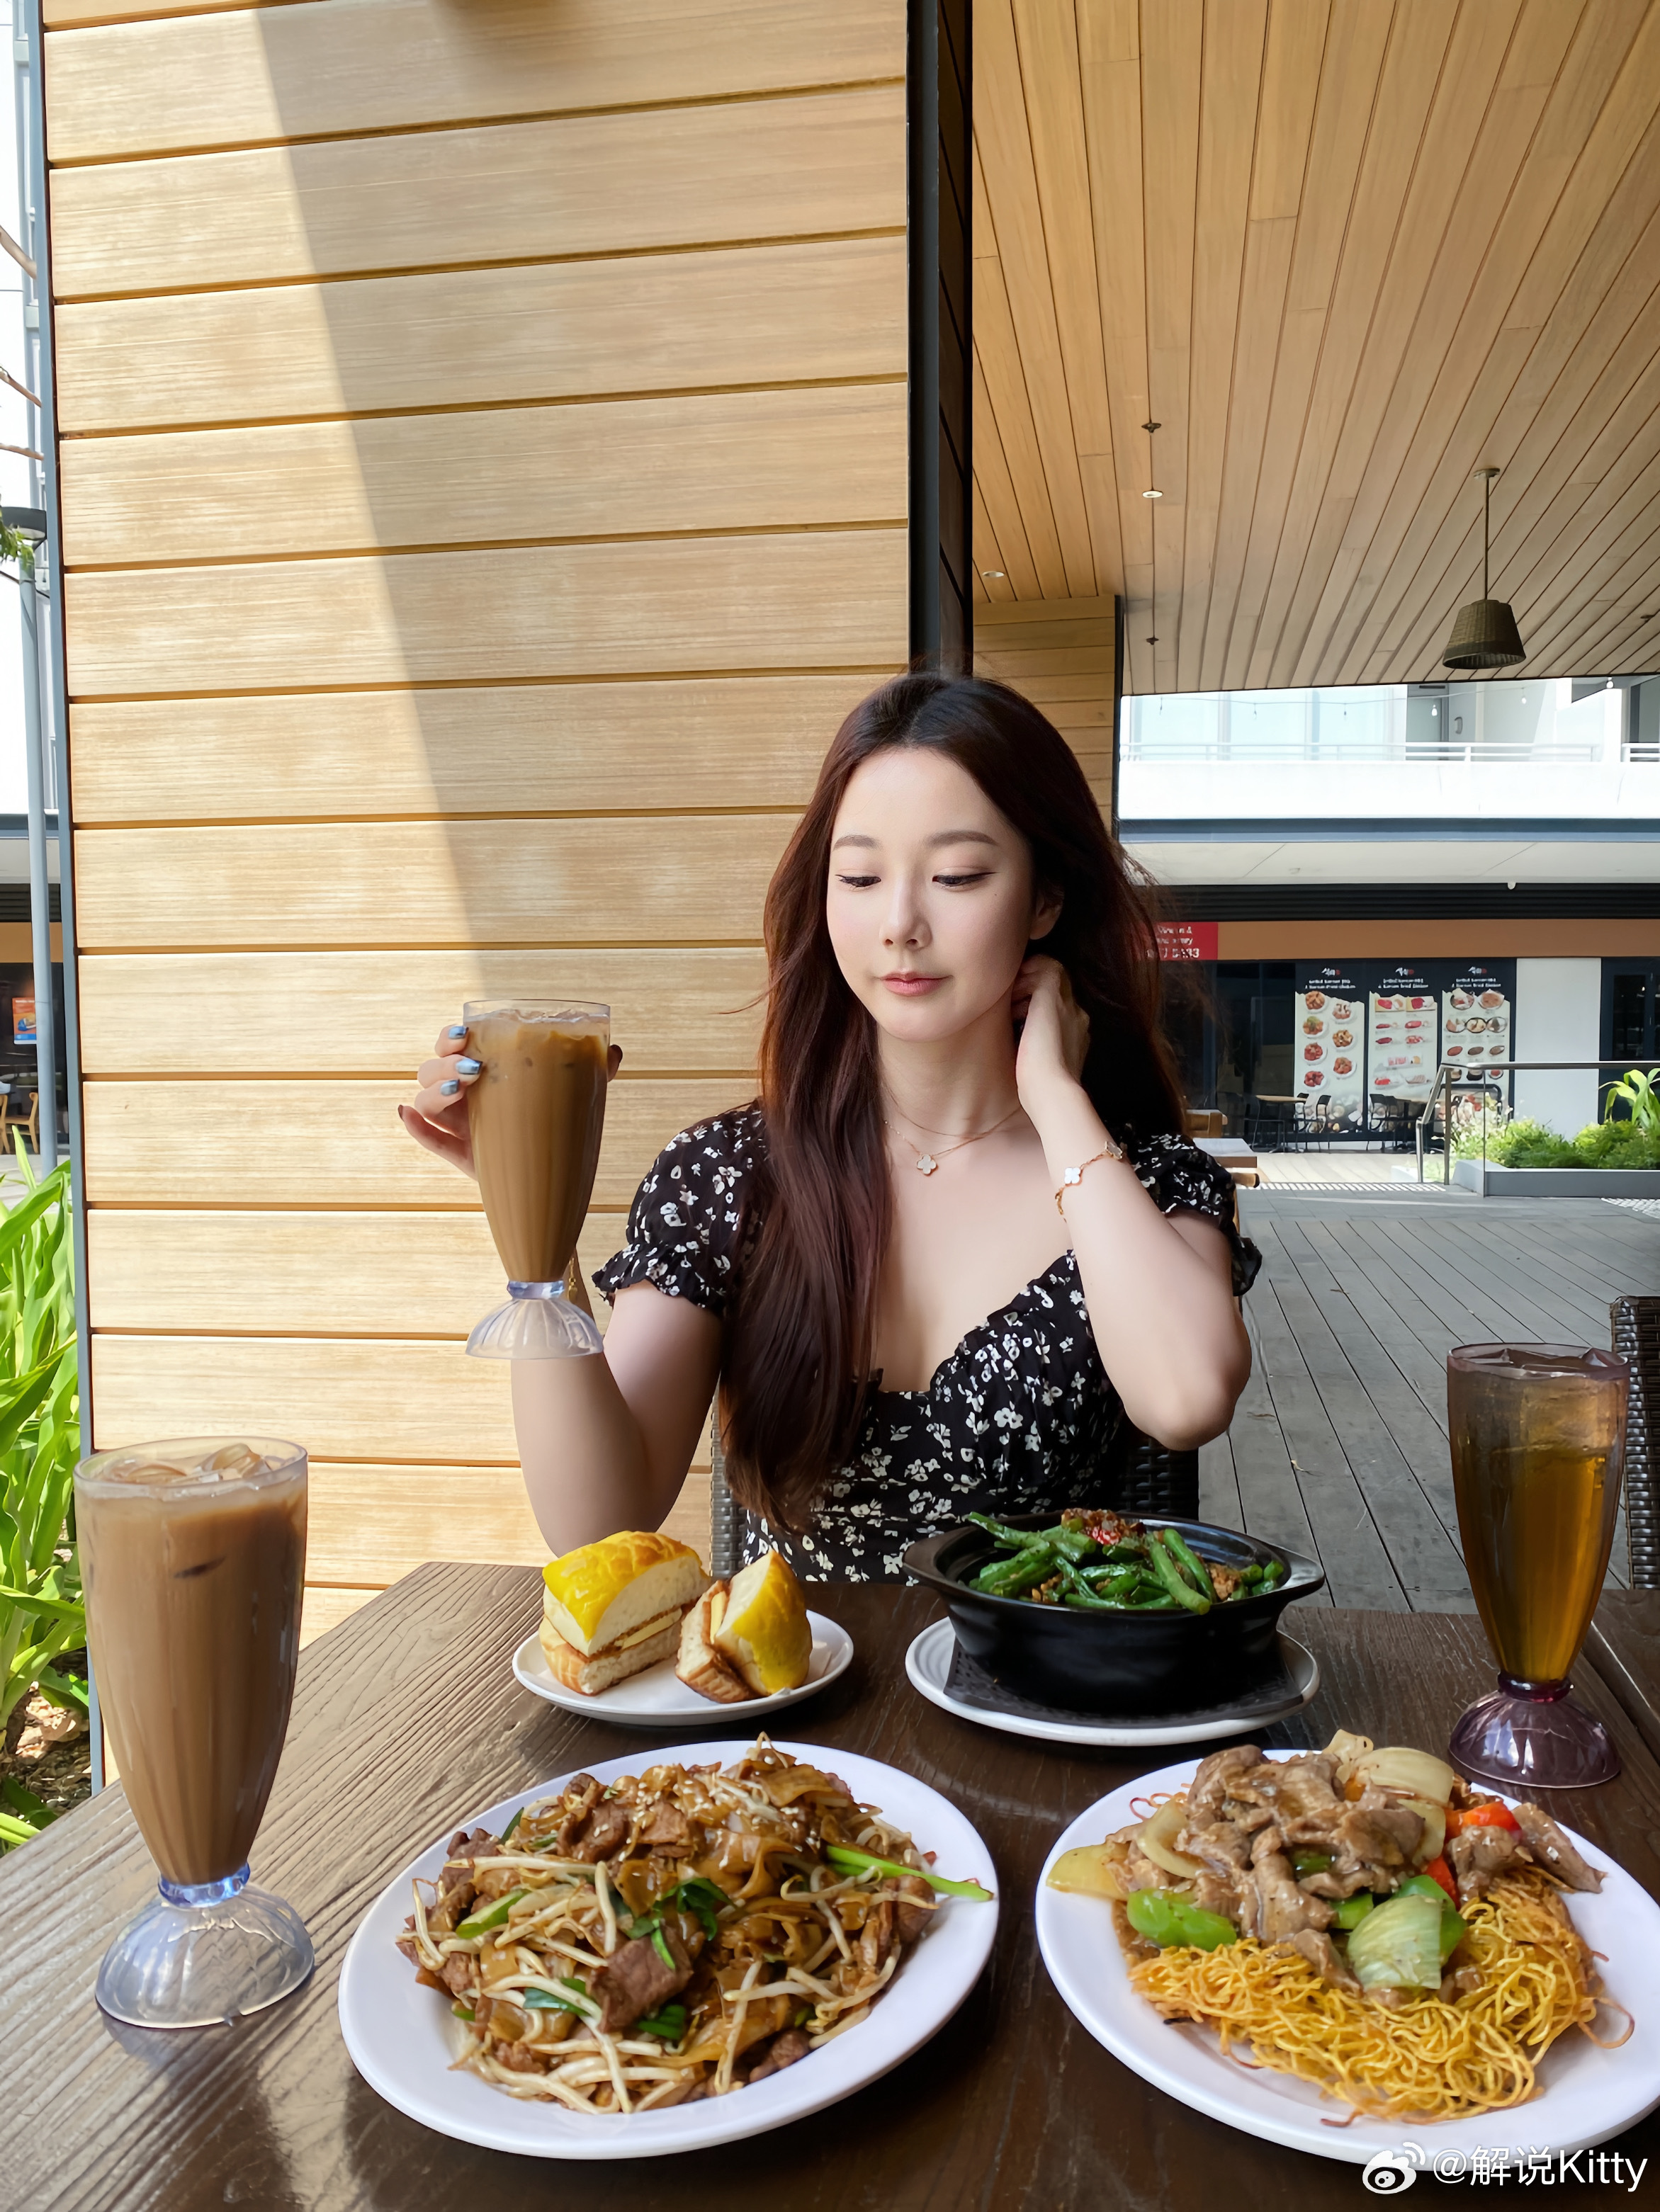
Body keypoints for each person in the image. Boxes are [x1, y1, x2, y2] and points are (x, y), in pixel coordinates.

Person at [402, 669, 1258, 1579]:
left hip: (1048, 1710)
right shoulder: (729, 1174)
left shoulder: (1148, 1180)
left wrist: (1053, 1095)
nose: (899, 924)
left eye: (958, 876)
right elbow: (599, 1518)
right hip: (795, 1713)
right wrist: (535, 1235)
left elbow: (1187, 1397)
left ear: (1044, 899)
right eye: (859, 876)